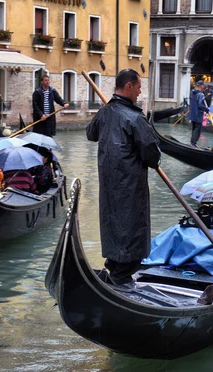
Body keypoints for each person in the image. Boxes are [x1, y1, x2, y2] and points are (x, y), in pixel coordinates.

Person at [86, 69, 162, 286]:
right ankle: (122, 276)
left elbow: (91, 134)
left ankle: (116, 271)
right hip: (131, 187)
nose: (139, 92)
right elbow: (153, 156)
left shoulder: (105, 112)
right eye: (138, 87)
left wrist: (104, 111)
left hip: (109, 186)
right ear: (129, 86)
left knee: (114, 225)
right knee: (132, 227)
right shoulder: (136, 119)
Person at [189, 80, 210, 147]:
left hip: (192, 114)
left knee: (194, 128)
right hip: (198, 114)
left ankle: (192, 142)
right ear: (201, 86)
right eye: (203, 85)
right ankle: (194, 143)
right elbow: (200, 105)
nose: (203, 86)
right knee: (197, 129)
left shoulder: (191, 93)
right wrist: (207, 109)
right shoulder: (200, 94)